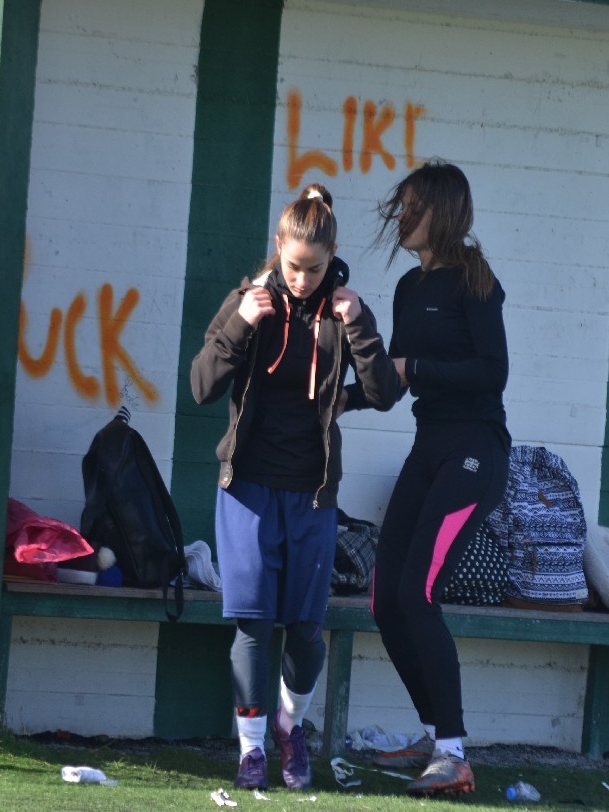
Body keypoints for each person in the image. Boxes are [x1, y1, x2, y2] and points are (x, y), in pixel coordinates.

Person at [190, 184, 400, 791]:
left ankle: (289, 725)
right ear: (278, 249)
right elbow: (202, 386)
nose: (303, 280)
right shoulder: (248, 302)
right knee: (253, 625)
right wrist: (241, 322)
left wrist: (359, 326)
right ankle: (251, 750)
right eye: (292, 267)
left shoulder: (344, 311)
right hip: (248, 489)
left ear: (332, 256)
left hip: (312, 493)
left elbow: (384, 393)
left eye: (314, 268)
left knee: (306, 631)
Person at [341, 161, 511, 798]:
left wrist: (418, 367)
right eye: (401, 205)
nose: (401, 216)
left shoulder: (475, 279)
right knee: (386, 601)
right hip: (428, 448)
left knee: (418, 594)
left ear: (443, 211)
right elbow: (390, 385)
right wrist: (338, 400)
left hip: (475, 453)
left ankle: (453, 754)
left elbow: (492, 372)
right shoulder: (408, 289)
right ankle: (436, 734)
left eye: (413, 206)